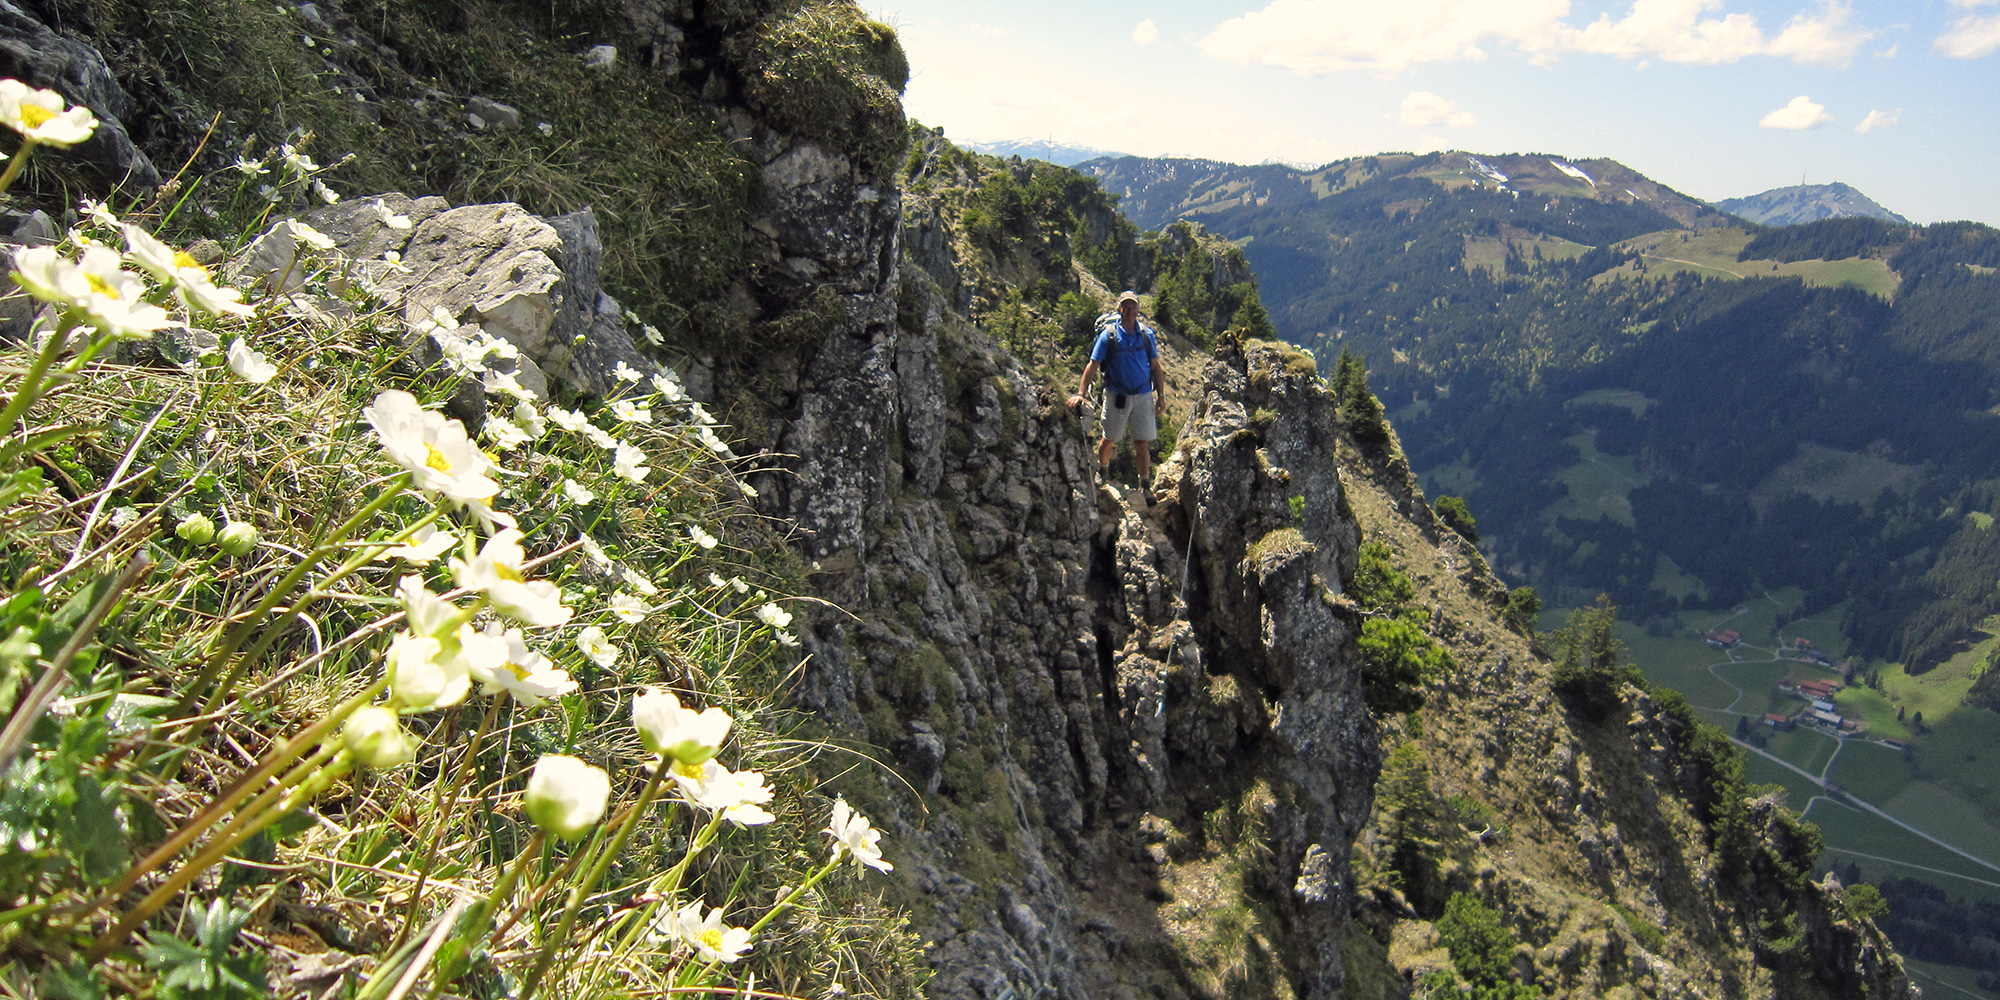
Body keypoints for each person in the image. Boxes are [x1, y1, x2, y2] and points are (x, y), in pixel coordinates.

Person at [1068, 290, 1165, 489]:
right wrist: (1081, 393)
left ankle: (1144, 484)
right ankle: (1103, 470)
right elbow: (1093, 365)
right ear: (1119, 309)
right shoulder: (1109, 336)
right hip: (1116, 395)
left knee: (1142, 442)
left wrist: (1161, 396)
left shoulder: (1147, 335)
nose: (1129, 311)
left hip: (1143, 395)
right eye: (1125, 307)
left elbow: (1155, 366)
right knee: (1109, 438)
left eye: (1133, 307)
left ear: (1138, 310)